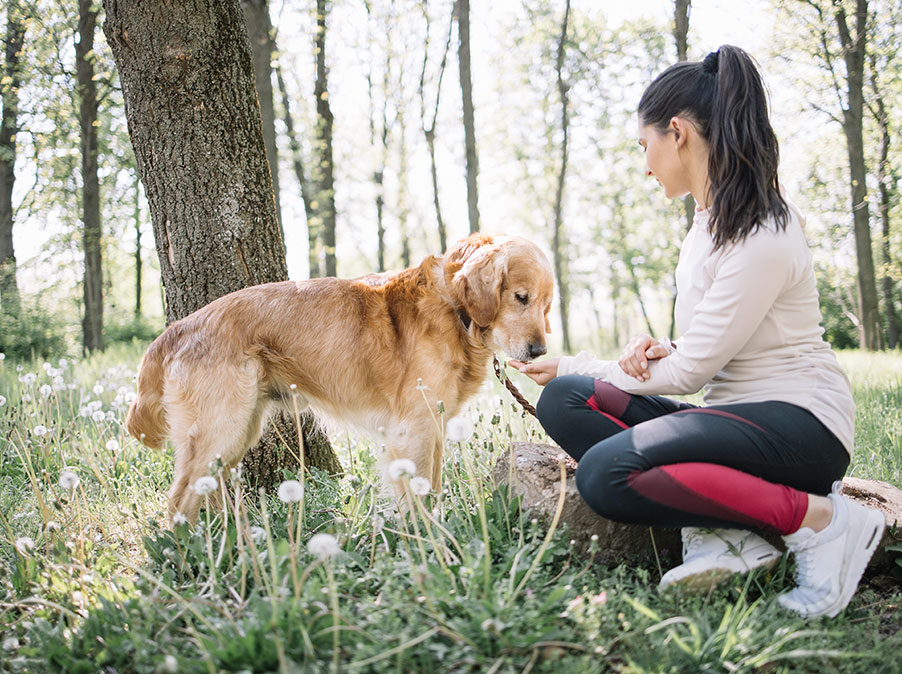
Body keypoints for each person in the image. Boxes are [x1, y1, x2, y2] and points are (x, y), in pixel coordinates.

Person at [511, 45, 884, 619]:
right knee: (565, 400)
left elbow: (690, 374)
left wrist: (589, 360)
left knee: (605, 475)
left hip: (800, 427)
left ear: (678, 133)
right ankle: (730, 536)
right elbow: (708, 346)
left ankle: (824, 522)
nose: (645, 164)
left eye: (645, 145)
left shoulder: (765, 228)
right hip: (729, 420)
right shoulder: (707, 226)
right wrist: (632, 357)